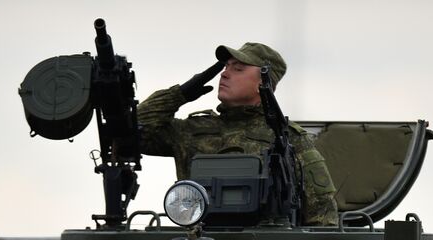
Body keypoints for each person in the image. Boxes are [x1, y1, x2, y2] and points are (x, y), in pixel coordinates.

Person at [138, 42, 339, 227]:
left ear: (264, 82)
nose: (224, 74)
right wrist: (179, 94)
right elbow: (133, 134)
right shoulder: (191, 131)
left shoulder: (287, 138)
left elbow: (322, 215)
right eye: (225, 67)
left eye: (238, 69)